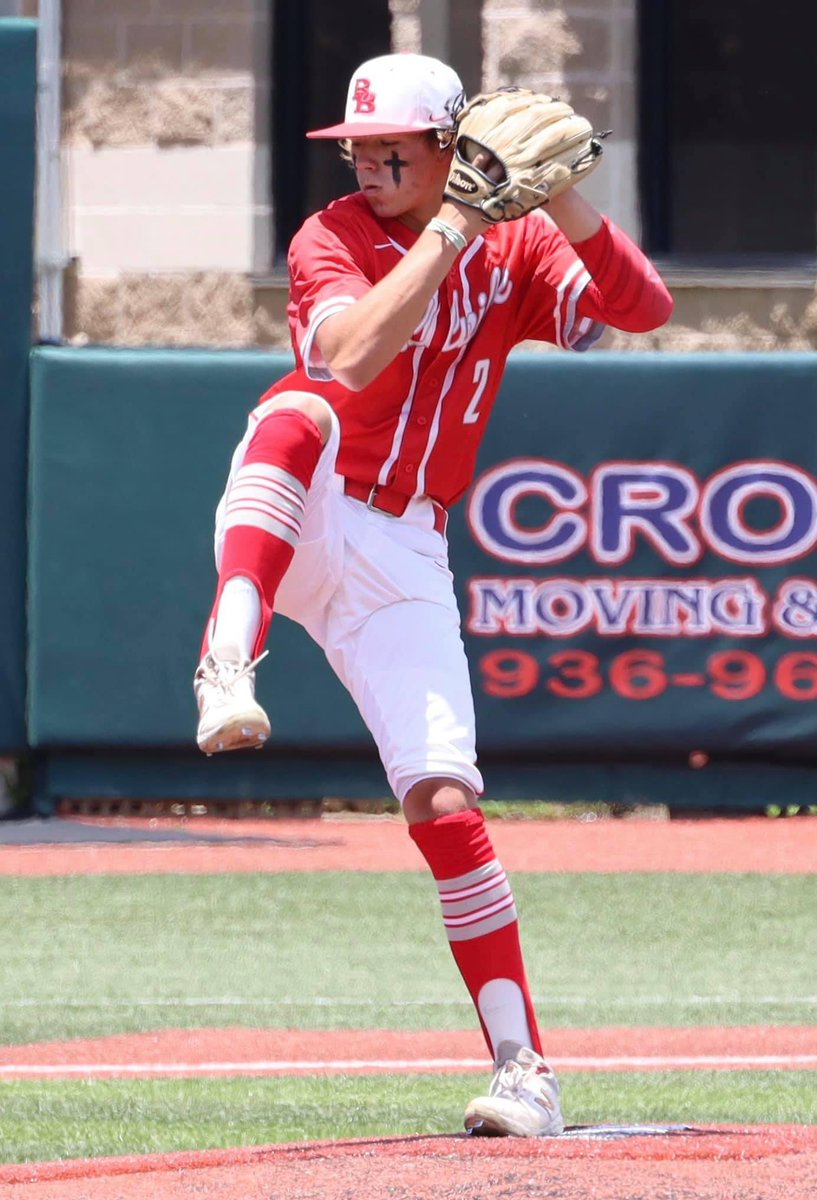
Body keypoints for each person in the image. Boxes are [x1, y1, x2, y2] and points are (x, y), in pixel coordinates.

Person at [194, 52, 673, 1137]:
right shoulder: (330, 235)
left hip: (408, 541)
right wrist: (452, 224)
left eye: (389, 148)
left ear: (450, 148)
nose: (365, 164)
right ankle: (226, 660)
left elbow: (639, 309)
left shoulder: (515, 243)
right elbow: (350, 359)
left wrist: (562, 196)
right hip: (315, 503)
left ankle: (523, 1071)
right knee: (293, 413)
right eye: (356, 147)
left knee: (445, 802)